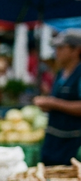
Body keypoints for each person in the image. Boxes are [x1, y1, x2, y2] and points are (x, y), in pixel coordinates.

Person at [34, 29, 81, 165]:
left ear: (76, 50)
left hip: (73, 144)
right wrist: (47, 105)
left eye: (61, 48)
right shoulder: (60, 73)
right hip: (53, 141)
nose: (56, 52)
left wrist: (54, 103)